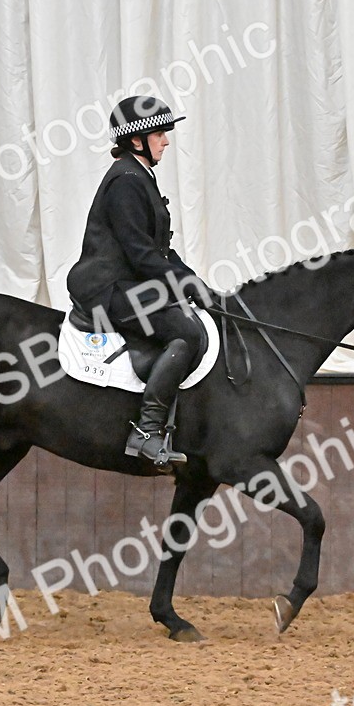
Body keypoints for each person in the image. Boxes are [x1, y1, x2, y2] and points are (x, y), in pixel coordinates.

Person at [66, 96, 214, 466]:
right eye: (160, 133)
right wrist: (183, 285)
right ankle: (146, 431)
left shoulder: (139, 176)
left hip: (127, 282)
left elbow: (159, 249)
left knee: (192, 316)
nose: (166, 141)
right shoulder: (126, 182)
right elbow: (140, 254)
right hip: (108, 288)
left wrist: (192, 280)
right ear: (136, 140)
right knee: (187, 333)